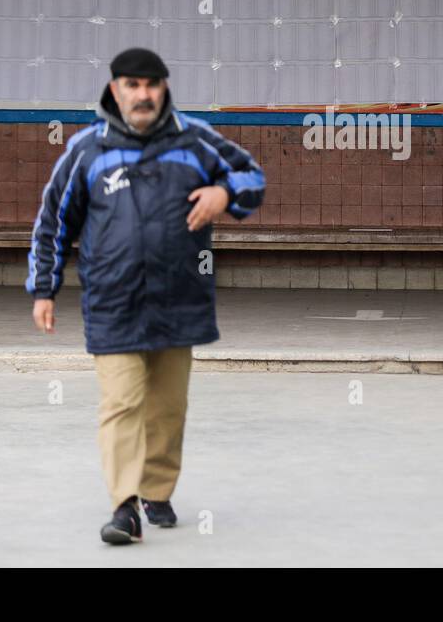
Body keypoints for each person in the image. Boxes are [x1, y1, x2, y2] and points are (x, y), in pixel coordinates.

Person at [27, 48, 266, 543]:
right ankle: (123, 507)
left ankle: (157, 490)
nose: (142, 94)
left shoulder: (194, 140)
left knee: (167, 406)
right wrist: (43, 289)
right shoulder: (86, 150)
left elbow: (252, 178)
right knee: (122, 402)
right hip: (112, 301)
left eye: (151, 85)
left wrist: (225, 195)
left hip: (180, 297)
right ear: (114, 90)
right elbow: (53, 221)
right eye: (132, 85)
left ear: (164, 89)